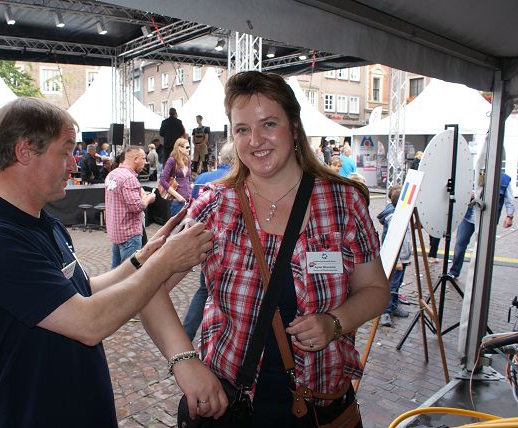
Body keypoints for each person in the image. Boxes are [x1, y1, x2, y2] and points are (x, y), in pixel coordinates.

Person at [0, 97, 217, 427]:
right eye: (65, 151)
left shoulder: (45, 224)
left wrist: (145, 257)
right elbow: (89, 322)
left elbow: (84, 291)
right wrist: (163, 264)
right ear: (25, 152)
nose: (73, 165)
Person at [166, 71, 389, 425]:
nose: (255, 140)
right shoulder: (216, 206)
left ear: (294, 127)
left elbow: (376, 289)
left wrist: (335, 322)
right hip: (233, 407)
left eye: (269, 124)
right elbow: (150, 289)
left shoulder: (343, 202)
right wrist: (185, 362)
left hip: (320, 407)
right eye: (242, 129)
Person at [182, 142, 235, 341]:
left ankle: (186, 334)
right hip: (226, 245)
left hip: (201, 239)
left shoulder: (202, 178)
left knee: (204, 288)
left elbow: (192, 209)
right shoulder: (236, 179)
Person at [448, 173, 514, 279]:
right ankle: (454, 272)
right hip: (469, 217)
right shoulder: (475, 173)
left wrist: (509, 216)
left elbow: (509, 199)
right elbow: (460, 190)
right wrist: (468, 195)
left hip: (488, 220)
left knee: (483, 247)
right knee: (460, 244)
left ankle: (480, 276)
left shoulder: (504, 179)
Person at [105, 145, 156, 269]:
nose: (145, 162)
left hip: (116, 232)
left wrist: (140, 192)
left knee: (115, 272)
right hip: (129, 234)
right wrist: (149, 198)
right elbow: (137, 207)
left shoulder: (112, 174)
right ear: (136, 159)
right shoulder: (129, 178)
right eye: (143, 158)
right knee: (129, 273)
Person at [377, 185, 411, 327]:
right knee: (392, 285)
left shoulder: (400, 214)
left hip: (402, 258)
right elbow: (391, 240)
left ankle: (393, 306)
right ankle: (385, 311)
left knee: (396, 285)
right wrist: (397, 260)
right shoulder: (393, 218)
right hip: (396, 259)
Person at [160, 138, 192, 217]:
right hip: (177, 201)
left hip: (189, 200)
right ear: (180, 148)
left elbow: (188, 179)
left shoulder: (187, 160)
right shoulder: (172, 160)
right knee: (176, 224)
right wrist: (178, 196)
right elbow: (163, 180)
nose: (189, 149)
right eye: (187, 147)